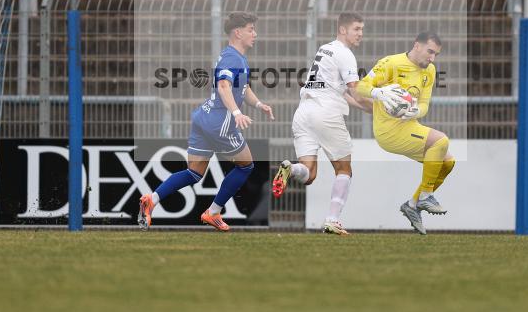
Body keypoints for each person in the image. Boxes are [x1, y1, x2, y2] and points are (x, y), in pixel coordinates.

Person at [138, 12, 274, 232]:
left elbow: (243, 87)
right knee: (246, 165)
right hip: (220, 123)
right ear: (238, 33)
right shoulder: (233, 58)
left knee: (194, 173)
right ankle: (213, 212)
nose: (255, 34)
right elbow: (223, 86)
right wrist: (237, 113)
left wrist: (259, 105)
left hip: (204, 117)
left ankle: (151, 200)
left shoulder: (233, 56)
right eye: (251, 29)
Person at [271, 12, 372, 236]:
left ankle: (290, 168)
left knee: (309, 174)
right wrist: (379, 107)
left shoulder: (325, 49)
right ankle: (332, 220)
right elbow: (356, 91)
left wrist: (367, 108)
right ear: (343, 29)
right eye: (356, 29)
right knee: (344, 169)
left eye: (362, 29)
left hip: (303, 112)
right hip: (326, 114)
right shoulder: (345, 54)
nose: (360, 34)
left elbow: (341, 92)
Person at [355, 32, 454, 235]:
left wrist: (416, 111)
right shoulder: (391, 63)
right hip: (388, 131)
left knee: (448, 162)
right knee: (441, 141)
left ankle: (412, 205)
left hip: (408, 126)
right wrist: (378, 92)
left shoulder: (430, 70)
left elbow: (424, 104)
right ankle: (425, 197)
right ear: (417, 45)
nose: (432, 58)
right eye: (430, 52)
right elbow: (361, 87)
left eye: (436, 54)